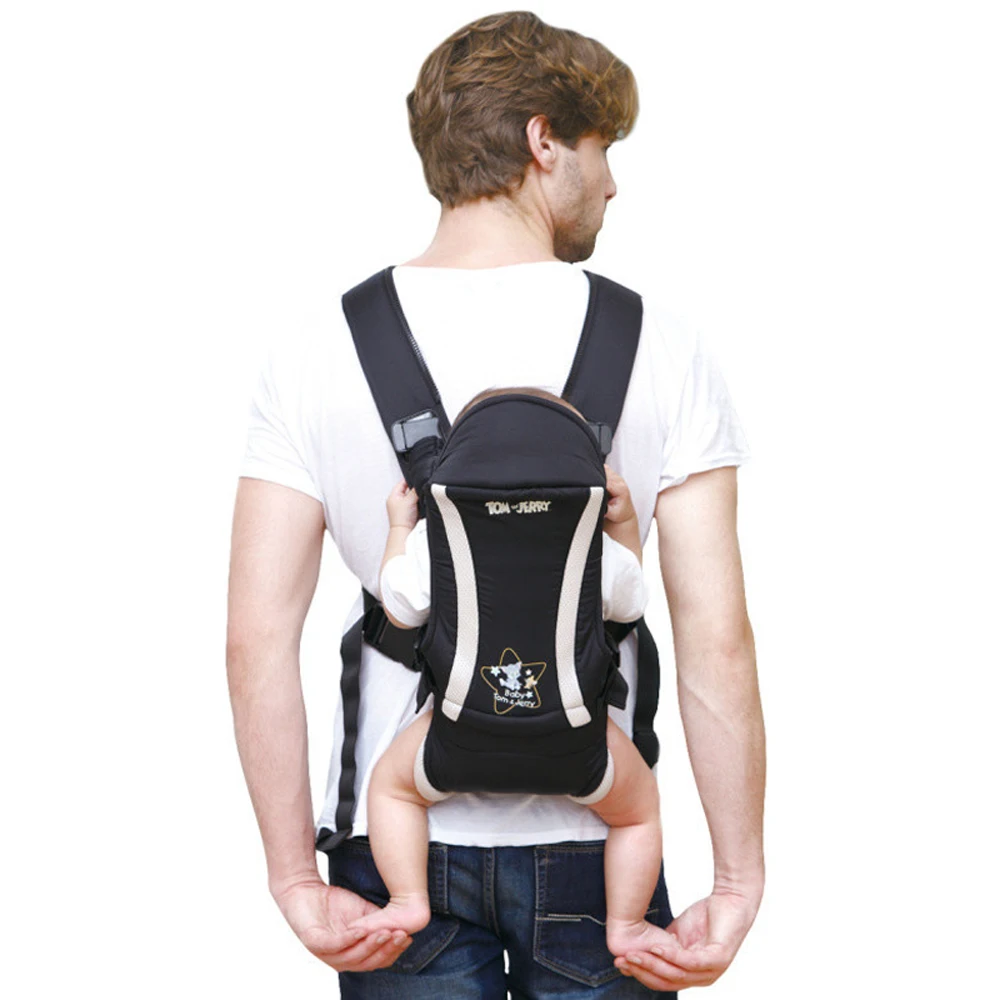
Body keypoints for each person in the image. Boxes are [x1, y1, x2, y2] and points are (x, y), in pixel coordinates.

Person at [228, 10, 764, 997]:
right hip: (603, 827)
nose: (613, 182)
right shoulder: (663, 344)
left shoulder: (318, 349)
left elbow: (256, 639)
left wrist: (294, 875)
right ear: (543, 140)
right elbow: (714, 638)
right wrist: (736, 879)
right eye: (603, 148)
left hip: (402, 831)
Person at [352, 386, 673, 965]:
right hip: (579, 744)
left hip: (455, 735)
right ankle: (626, 926)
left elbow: (398, 609)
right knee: (639, 811)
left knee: (391, 790)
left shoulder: (437, 538)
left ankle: (407, 901)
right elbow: (630, 605)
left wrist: (401, 526)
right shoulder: (593, 549)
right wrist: (623, 524)